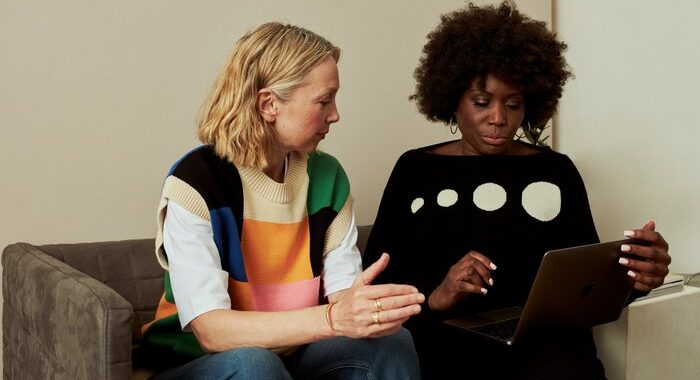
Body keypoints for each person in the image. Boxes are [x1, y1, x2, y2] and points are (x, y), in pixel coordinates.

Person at [362, 2, 671, 379]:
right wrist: (438, 295)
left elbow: (585, 286)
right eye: (481, 102)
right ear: (450, 98)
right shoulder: (415, 170)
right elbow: (374, 284)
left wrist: (636, 278)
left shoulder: (555, 170)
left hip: (547, 348)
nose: (498, 118)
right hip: (446, 344)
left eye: (513, 104)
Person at [139, 22, 425, 380]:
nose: (335, 114)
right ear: (268, 103)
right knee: (253, 364)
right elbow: (211, 331)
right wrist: (333, 319)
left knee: (392, 342)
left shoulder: (328, 178)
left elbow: (342, 301)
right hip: (194, 364)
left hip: (293, 357)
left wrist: (364, 310)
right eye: (324, 100)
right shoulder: (196, 182)